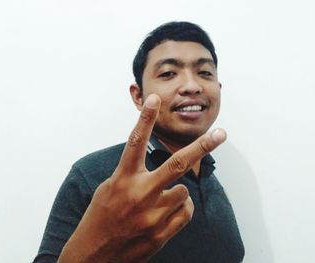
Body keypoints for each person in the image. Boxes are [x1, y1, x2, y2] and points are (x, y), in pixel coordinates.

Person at [34, 21, 245, 263]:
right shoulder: (94, 174)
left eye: (205, 73)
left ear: (218, 88)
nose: (191, 86)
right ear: (138, 96)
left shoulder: (210, 178)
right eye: (168, 73)